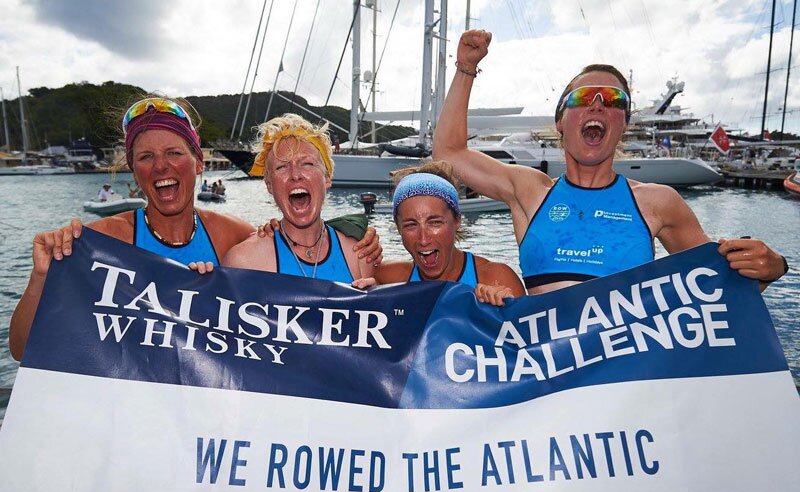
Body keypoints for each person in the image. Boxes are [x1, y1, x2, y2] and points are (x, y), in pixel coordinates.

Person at [9, 99, 381, 360]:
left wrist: (350, 232)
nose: (161, 167)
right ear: (133, 170)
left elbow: (293, 246)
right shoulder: (105, 242)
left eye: (174, 153)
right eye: (145, 157)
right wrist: (42, 276)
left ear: (197, 162)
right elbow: (24, 350)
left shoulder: (231, 236)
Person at [433, 29, 788, 295]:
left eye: (614, 99)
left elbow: (718, 286)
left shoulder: (657, 202)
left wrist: (769, 268)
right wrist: (466, 68)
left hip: (620, 382)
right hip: (546, 377)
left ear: (624, 123)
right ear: (561, 121)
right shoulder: (529, 191)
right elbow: (448, 153)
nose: (599, 105)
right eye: (584, 97)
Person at [218, 114, 373, 282]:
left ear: (327, 178)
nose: (295, 175)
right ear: (269, 185)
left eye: (307, 164)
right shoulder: (244, 262)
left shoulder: (359, 254)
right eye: (282, 167)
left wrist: (372, 295)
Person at [352, 161, 525, 306]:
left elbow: (528, 340)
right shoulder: (388, 279)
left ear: (457, 220)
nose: (423, 239)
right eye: (411, 225)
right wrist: (372, 301)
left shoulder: (496, 278)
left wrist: (503, 310)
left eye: (435, 222)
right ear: (398, 229)